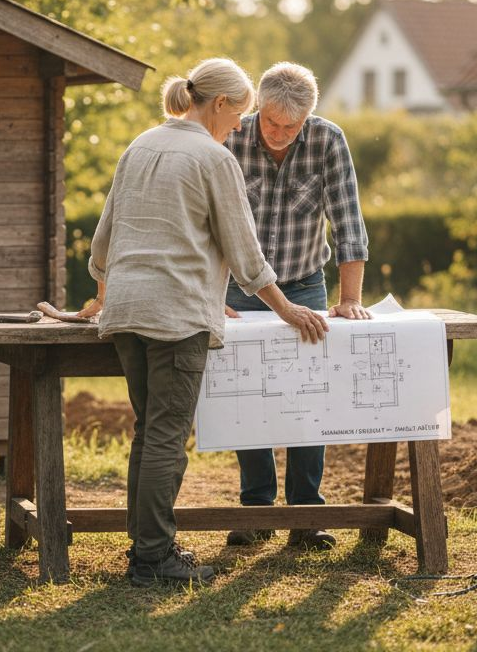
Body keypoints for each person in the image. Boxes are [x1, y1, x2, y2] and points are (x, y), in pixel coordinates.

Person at [78, 58, 328, 587]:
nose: (239, 126)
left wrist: (102, 293)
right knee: (167, 437)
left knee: (150, 433)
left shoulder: (139, 145)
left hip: (126, 311)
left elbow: (103, 240)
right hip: (176, 315)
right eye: (237, 114)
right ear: (217, 104)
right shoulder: (214, 159)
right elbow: (244, 252)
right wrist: (288, 308)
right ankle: (153, 560)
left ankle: (147, 549)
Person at [223, 62, 371, 551]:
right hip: (240, 286)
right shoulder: (231, 136)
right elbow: (205, 223)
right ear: (258, 109)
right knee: (250, 395)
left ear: (309, 118)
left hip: (305, 282)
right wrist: (208, 292)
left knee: (308, 397)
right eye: (272, 123)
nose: (280, 134)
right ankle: (257, 509)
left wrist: (349, 299)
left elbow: (348, 223)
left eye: (292, 126)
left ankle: (306, 515)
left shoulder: (328, 140)